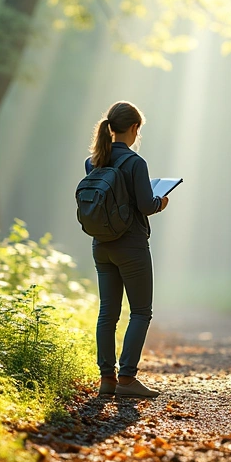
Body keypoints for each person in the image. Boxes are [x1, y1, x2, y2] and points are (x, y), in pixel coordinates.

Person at [85, 101, 168, 398]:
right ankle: (128, 379)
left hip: (101, 245)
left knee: (108, 312)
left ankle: (107, 379)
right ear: (133, 128)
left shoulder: (93, 161)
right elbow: (146, 205)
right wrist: (161, 202)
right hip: (131, 246)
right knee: (141, 312)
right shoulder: (135, 163)